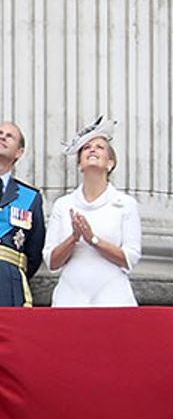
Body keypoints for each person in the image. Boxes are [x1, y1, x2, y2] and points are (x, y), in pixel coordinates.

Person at [43, 117, 142, 306]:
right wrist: (74, 238)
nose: (92, 150)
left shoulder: (125, 204)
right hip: (70, 297)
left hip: (113, 297)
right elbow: (52, 262)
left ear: (110, 163)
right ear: (79, 163)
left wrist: (92, 240)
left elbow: (129, 258)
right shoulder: (63, 205)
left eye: (99, 147)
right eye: (87, 147)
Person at [0, 120, 45, 307]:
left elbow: (34, 250)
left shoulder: (30, 197)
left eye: (9, 136)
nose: (2, 137)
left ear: (19, 152)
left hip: (8, 281)